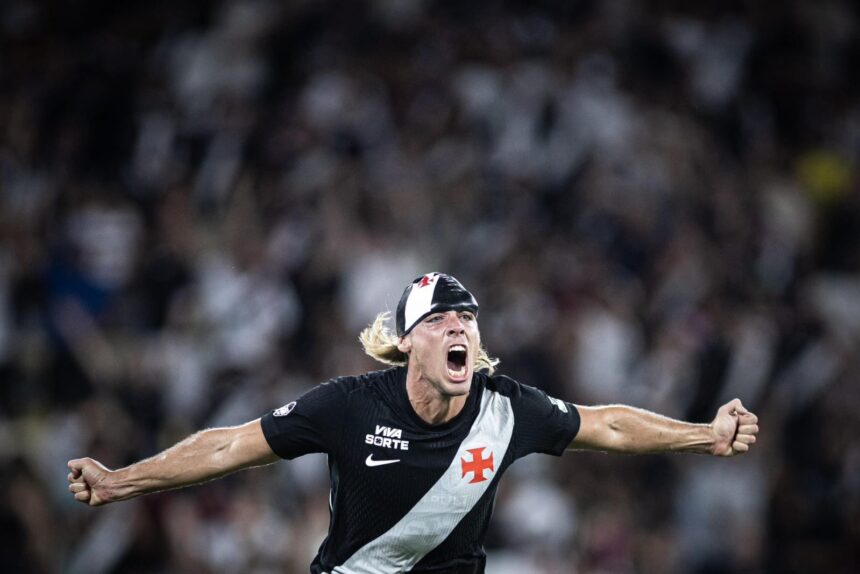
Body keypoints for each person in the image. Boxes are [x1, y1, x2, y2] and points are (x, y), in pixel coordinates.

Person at [68, 272, 759, 573]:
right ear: (405, 343)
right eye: (439, 319)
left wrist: (704, 435)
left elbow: (606, 426)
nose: (458, 326)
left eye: (467, 318)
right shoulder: (347, 405)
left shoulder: (505, 408)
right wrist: (121, 481)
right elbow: (227, 446)